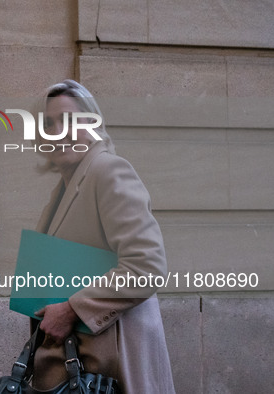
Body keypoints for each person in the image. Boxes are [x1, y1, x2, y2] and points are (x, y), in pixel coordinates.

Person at [31, 80, 175, 393]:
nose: (58, 131)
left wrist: (71, 309)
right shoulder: (64, 188)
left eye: (68, 120)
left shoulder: (108, 171)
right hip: (81, 359)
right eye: (48, 124)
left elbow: (146, 267)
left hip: (113, 357)